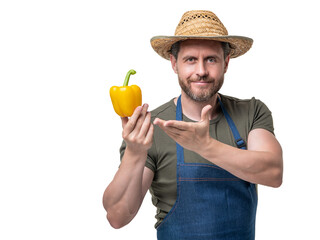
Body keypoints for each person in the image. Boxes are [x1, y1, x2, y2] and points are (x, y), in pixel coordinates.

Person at [103, 10, 283, 239]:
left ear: (226, 62)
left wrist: (204, 146)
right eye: (190, 60)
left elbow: (274, 172)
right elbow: (117, 217)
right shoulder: (152, 128)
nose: (201, 71)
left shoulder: (251, 112)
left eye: (211, 59)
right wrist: (135, 153)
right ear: (174, 63)